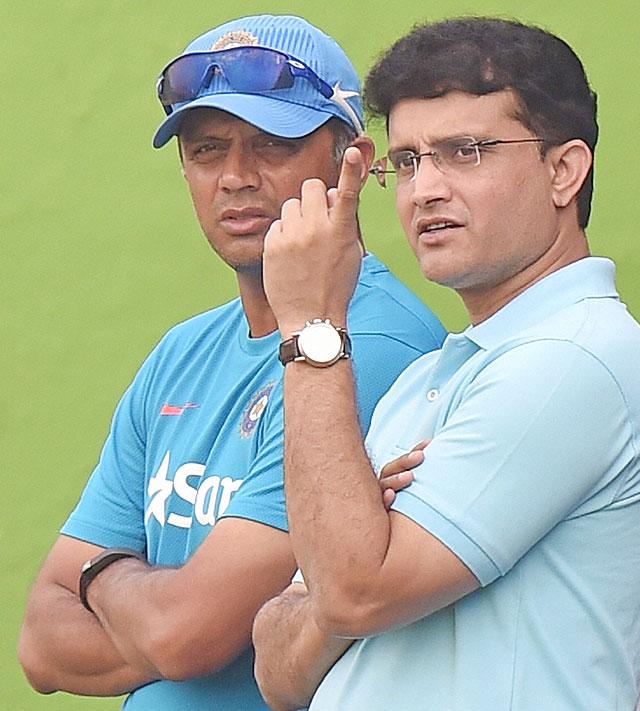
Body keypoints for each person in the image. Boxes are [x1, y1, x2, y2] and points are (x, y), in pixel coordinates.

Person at [17, 14, 446, 710]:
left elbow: (188, 635)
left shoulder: (370, 345)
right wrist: (156, 619)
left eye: (272, 144)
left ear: (355, 162)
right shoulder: (181, 353)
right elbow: (41, 642)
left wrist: (99, 575)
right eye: (207, 149)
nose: (235, 177)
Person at [253, 17, 640, 710]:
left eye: (465, 151)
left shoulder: (577, 357)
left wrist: (312, 327)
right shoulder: (428, 377)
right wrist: (349, 566)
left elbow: (352, 593)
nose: (424, 190)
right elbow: (276, 668)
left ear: (564, 171)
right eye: (409, 160)